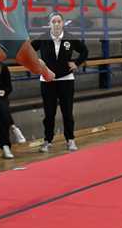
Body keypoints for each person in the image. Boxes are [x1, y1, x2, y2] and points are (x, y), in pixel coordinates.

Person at [33, 12, 88, 153]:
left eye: (59, 21)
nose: (56, 24)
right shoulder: (43, 38)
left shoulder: (70, 38)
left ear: (63, 23)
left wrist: (77, 63)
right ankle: (47, 140)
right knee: (49, 113)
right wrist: (38, 64)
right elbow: (29, 51)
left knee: (67, 112)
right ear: (49, 24)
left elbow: (84, 51)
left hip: (66, 80)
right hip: (47, 80)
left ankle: (70, 140)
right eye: (53, 21)